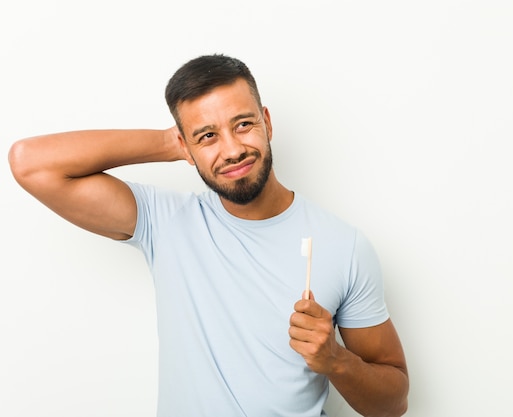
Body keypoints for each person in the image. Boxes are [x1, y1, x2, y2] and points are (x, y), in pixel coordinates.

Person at [8, 54, 409, 417]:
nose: (233, 150)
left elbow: (393, 403)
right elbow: (30, 163)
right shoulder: (163, 222)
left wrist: (336, 360)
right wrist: (171, 142)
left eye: (244, 124)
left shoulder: (344, 246)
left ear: (267, 122)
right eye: (208, 136)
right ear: (184, 145)